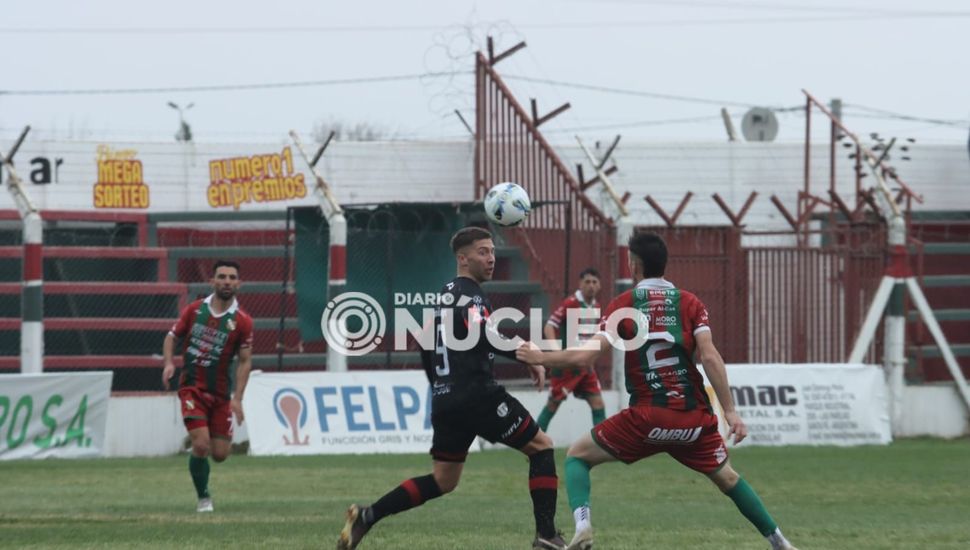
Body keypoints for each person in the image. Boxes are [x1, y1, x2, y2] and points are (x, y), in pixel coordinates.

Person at [517, 233, 797, 550]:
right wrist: (731, 412)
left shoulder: (622, 306)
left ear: (633, 265)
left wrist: (540, 356)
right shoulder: (690, 302)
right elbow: (709, 356)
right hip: (693, 419)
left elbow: (585, 357)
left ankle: (583, 527)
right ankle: (781, 543)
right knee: (729, 478)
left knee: (577, 457)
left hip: (648, 419)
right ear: (665, 264)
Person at [337, 226, 567, 550]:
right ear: (463, 258)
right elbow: (485, 333)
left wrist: (441, 388)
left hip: (448, 401)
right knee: (541, 446)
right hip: (477, 395)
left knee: (443, 480)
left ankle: (367, 516)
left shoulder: (445, 295)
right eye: (482, 252)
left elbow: (425, 341)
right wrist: (527, 355)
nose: (491, 259)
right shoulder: (469, 294)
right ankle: (547, 535)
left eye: (492, 252)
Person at [162, 259, 254, 513]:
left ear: (239, 283)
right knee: (201, 444)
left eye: (232, 277)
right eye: (222, 277)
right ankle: (204, 498)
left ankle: (200, 456)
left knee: (221, 454)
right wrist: (169, 363)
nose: (227, 281)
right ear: (211, 281)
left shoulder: (243, 321)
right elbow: (172, 337)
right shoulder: (194, 311)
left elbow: (245, 361)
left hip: (221, 395)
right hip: (192, 388)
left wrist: (238, 399)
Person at [537, 268, 606, 433]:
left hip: (585, 365)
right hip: (568, 365)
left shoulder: (596, 305)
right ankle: (533, 444)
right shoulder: (571, 302)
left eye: (594, 282)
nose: (591, 286)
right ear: (580, 284)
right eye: (587, 282)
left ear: (600, 285)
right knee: (553, 403)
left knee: (598, 404)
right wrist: (556, 352)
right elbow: (549, 326)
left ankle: (601, 444)